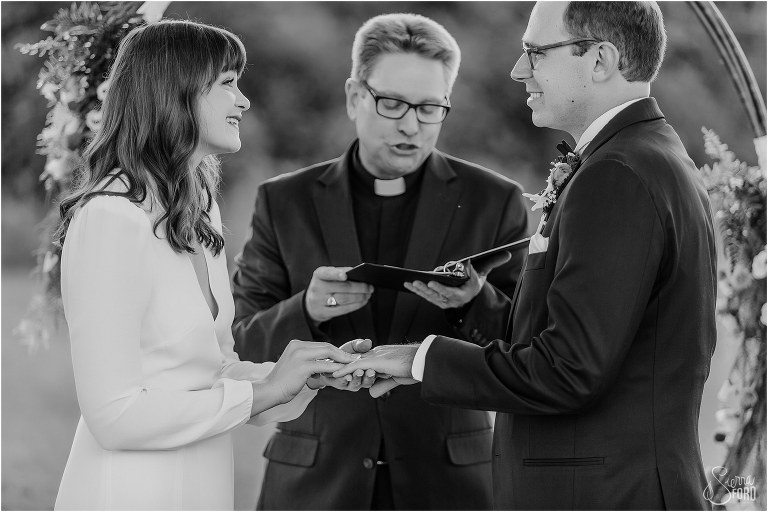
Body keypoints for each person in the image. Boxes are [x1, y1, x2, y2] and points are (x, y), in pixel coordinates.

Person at [335, 2, 718, 510]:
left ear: (600, 60)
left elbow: (570, 370)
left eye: (536, 52)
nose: (519, 70)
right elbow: (595, 339)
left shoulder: (617, 175)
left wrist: (419, 359)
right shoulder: (647, 156)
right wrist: (478, 303)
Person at [52, 20, 367, 511]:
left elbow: (209, 370)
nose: (243, 101)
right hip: (130, 493)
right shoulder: (110, 218)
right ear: (172, 92)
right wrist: (260, 394)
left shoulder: (197, 211)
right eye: (227, 83)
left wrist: (296, 375)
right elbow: (113, 416)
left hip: (202, 487)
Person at [231, 12, 529, 511]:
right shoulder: (284, 201)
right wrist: (308, 309)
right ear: (354, 96)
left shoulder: (495, 201)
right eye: (392, 103)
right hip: (315, 482)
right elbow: (241, 342)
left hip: (450, 485)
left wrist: (474, 300)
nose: (411, 125)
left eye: (430, 107)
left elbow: (526, 346)